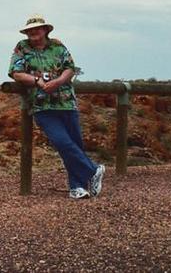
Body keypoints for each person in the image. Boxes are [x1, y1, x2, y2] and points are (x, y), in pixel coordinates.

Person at [8, 15, 105, 199]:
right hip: (42, 104)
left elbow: (70, 68)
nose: (33, 32)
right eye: (29, 30)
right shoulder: (22, 47)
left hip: (66, 101)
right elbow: (16, 73)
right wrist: (37, 81)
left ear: (45, 30)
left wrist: (58, 81)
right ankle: (93, 170)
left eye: (37, 28)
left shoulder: (58, 47)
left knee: (74, 145)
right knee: (61, 142)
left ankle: (77, 187)